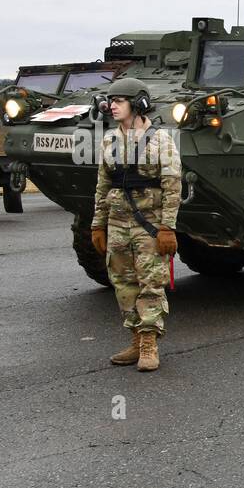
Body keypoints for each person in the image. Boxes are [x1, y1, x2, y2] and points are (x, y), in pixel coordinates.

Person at [90, 78, 181, 372]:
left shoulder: (161, 140)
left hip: (149, 225)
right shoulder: (109, 140)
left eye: (119, 101)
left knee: (150, 284)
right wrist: (97, 224)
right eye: (110, 101)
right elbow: (103, 185)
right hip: (117, 223)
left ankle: (149, 343)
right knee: (123, 284)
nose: (112, 105)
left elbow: (172, 186)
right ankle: (135, 337)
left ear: (139, 104)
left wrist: (167, 228)